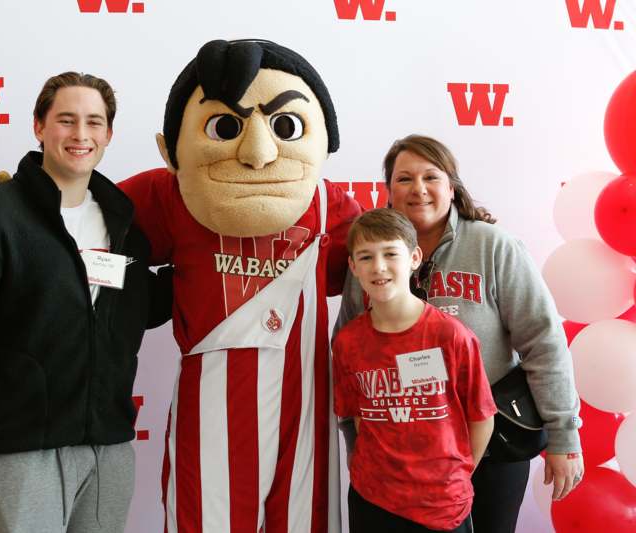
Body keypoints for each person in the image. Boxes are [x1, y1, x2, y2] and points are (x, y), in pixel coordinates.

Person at [118, 39, 361, 532]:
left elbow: (389, 262)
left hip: (305, 406)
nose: (256, 151)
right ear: (172, 149)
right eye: (226, 127)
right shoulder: (172, 194)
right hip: (210, 411)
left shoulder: (329, 205)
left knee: (303, 520)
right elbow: (88, 231)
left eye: (283, 125)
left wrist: (461, 219)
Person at [0, 72, 171, 533]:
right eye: (66, 120)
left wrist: (211, 264)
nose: (80, 135)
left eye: (94, 122)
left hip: (107, 449)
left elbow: (134, 311)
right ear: (39, 126)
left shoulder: (124, 226)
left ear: (109, 134)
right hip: (19, 451)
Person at [336, 134, 583, 533]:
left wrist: (564, 434)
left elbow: (544, 341)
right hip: (402, 457)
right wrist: (356, 447)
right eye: (404, 179)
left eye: (431, 177)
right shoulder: (370, 258)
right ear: (388, 191)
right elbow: (346, 347)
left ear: (451, 186)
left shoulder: (493, 247)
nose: (418, 189)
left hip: (492, 440)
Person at [333, 208, 496, 532]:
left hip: (441, 505)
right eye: (365, 257)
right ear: (353, 266)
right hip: (372, 500)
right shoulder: (348, 342)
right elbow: (358, 418)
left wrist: (455, 476)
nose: (378, 267)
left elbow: (481, 419)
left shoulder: (450, 336)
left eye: (390, 254)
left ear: (414, 257)